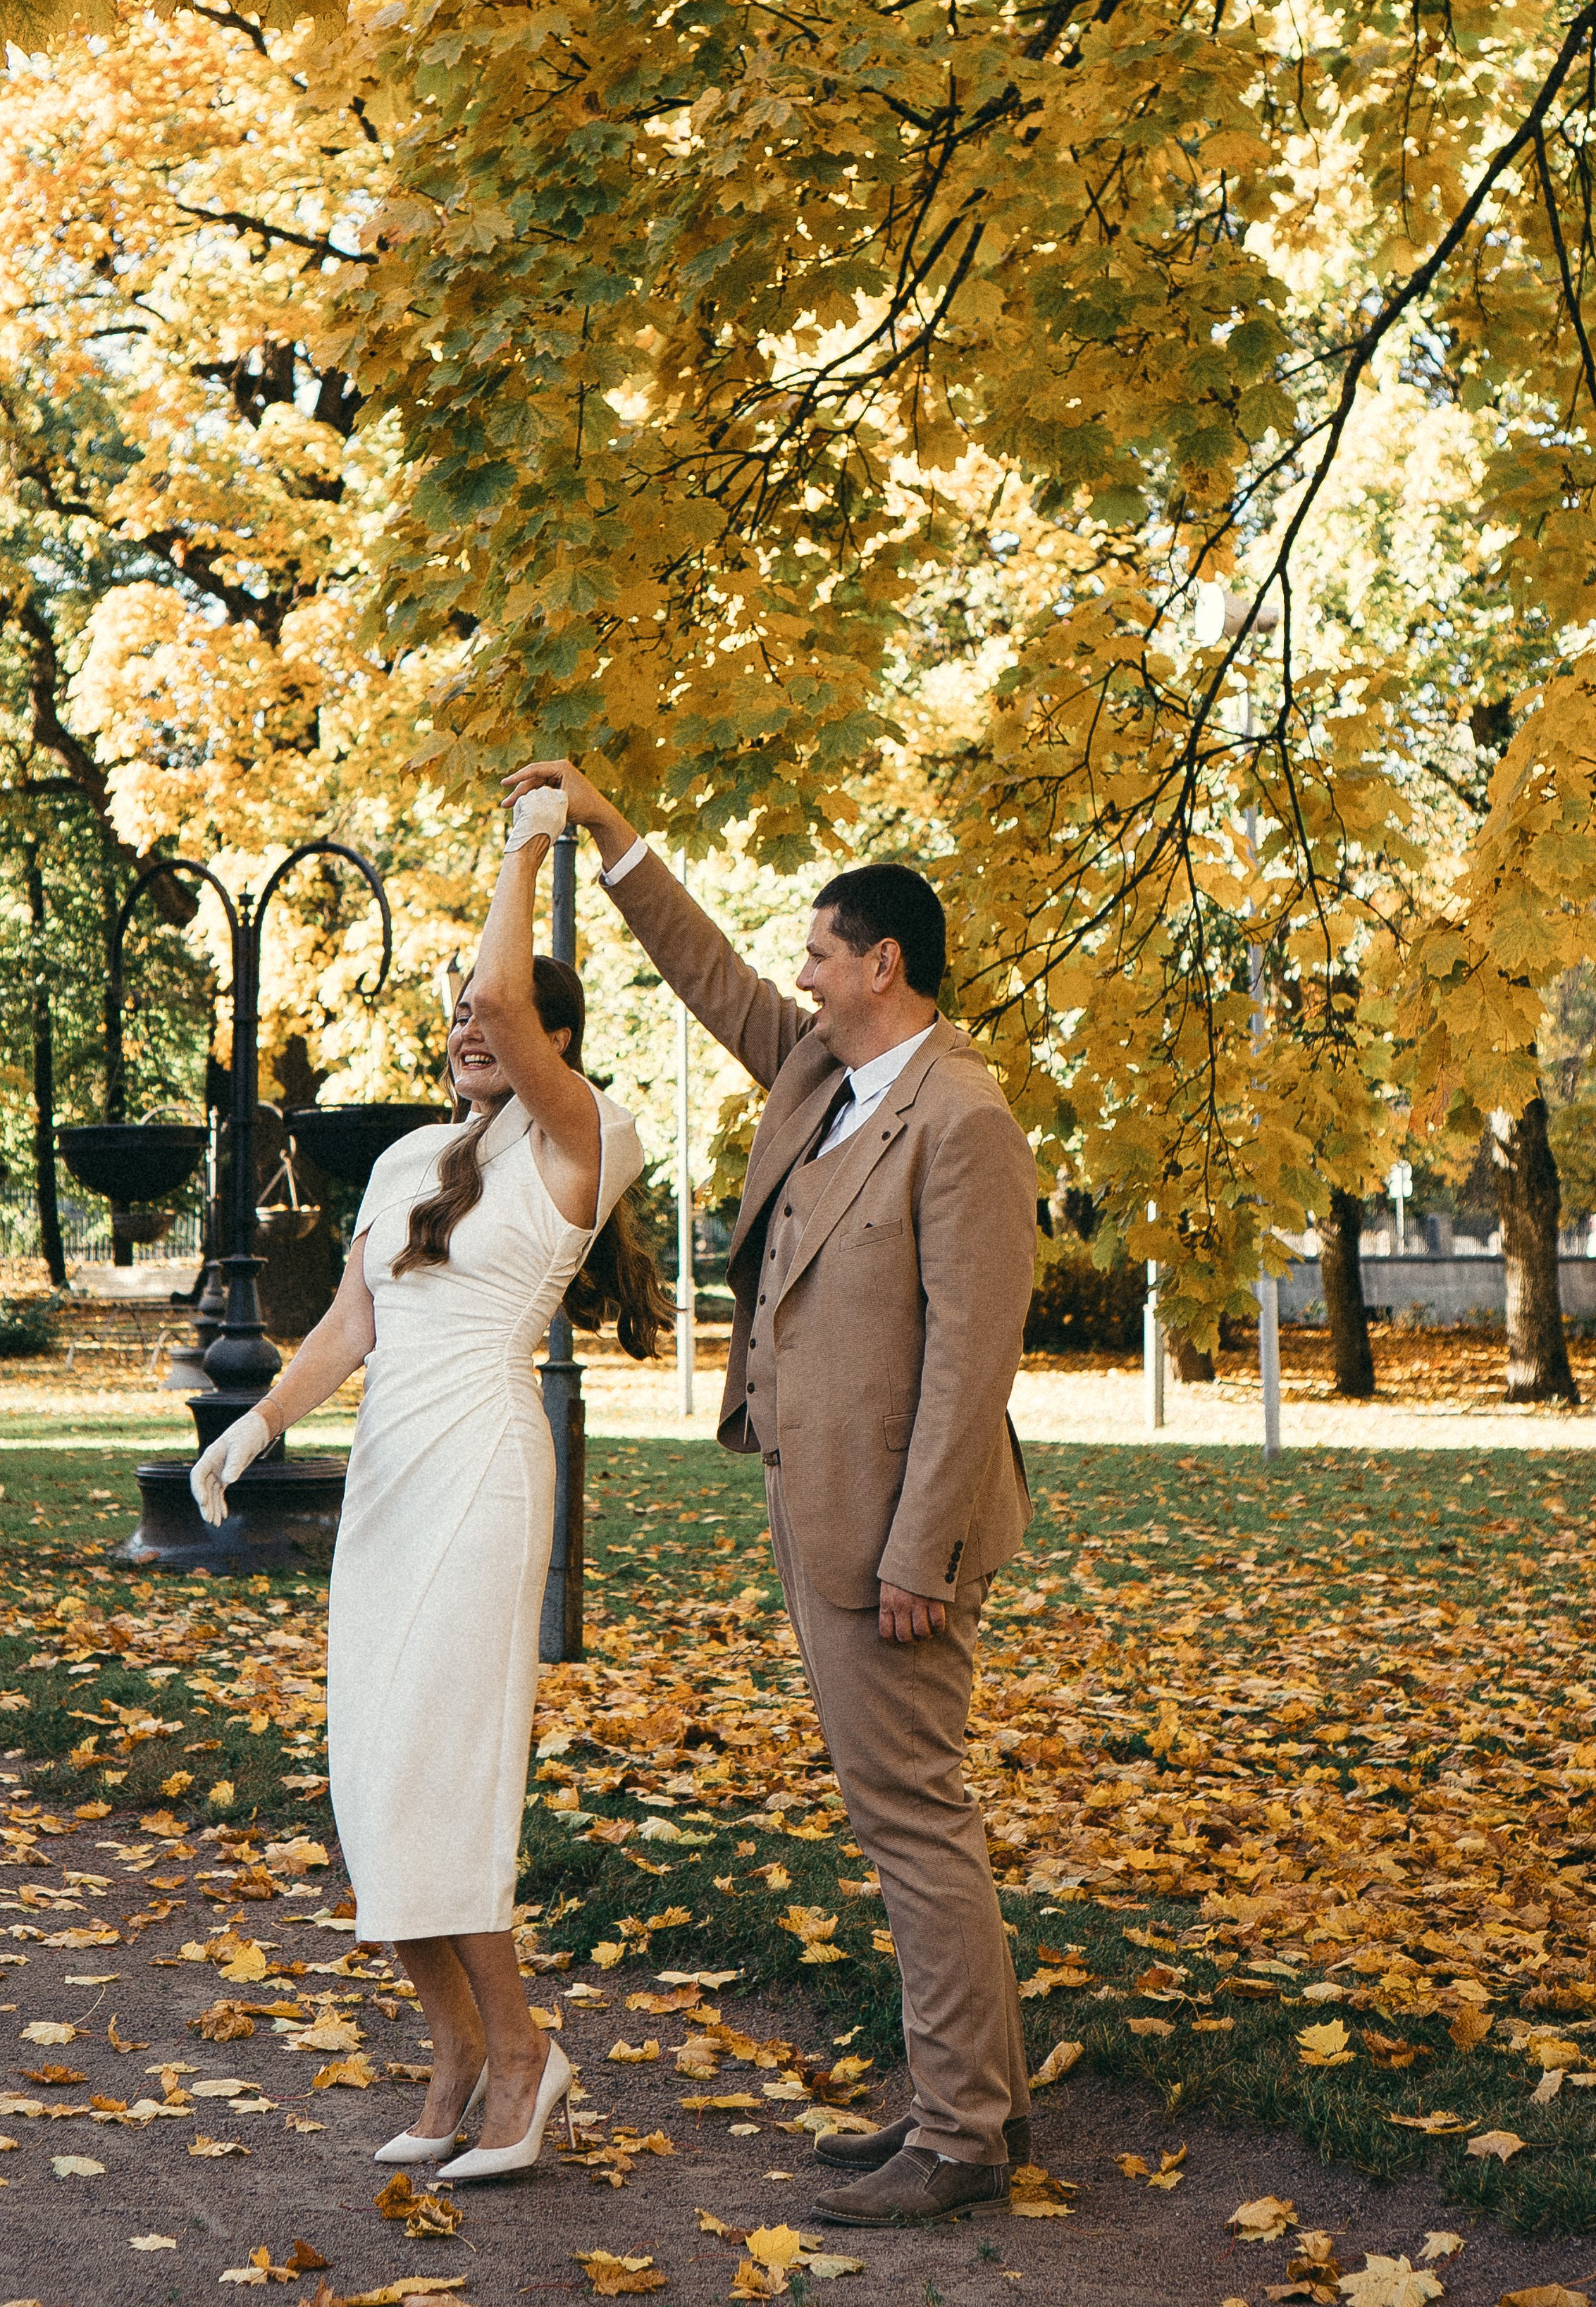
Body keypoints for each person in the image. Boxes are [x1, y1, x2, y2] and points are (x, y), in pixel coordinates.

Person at [502, 760, 1038, 2232]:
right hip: (817, 1505)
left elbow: (970, 1367)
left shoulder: (964, 1118)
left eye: (818, 953)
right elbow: (706, 974)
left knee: (912, 1814)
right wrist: (607, 829)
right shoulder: (822, 1076)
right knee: (898, 1811)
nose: (797, 975)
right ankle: (968, 2100)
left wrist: (920, 1549)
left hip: (899, 1536)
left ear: (883, 964)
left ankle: (962, 2137)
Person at [189, 786, 667, 2183]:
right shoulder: (406, 1156)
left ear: (554, 1042)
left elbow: (508, 1000)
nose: (470, 1025)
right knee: (373, 1770)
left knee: (444, 1763)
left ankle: (522, 2056)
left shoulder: (587, 1136)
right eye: (454, 1017)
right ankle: (454, 2053)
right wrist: (257, 1427)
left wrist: (529, 842)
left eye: (492, 1015)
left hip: (483, 1464)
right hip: (391, 1473)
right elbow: (352, 1321)